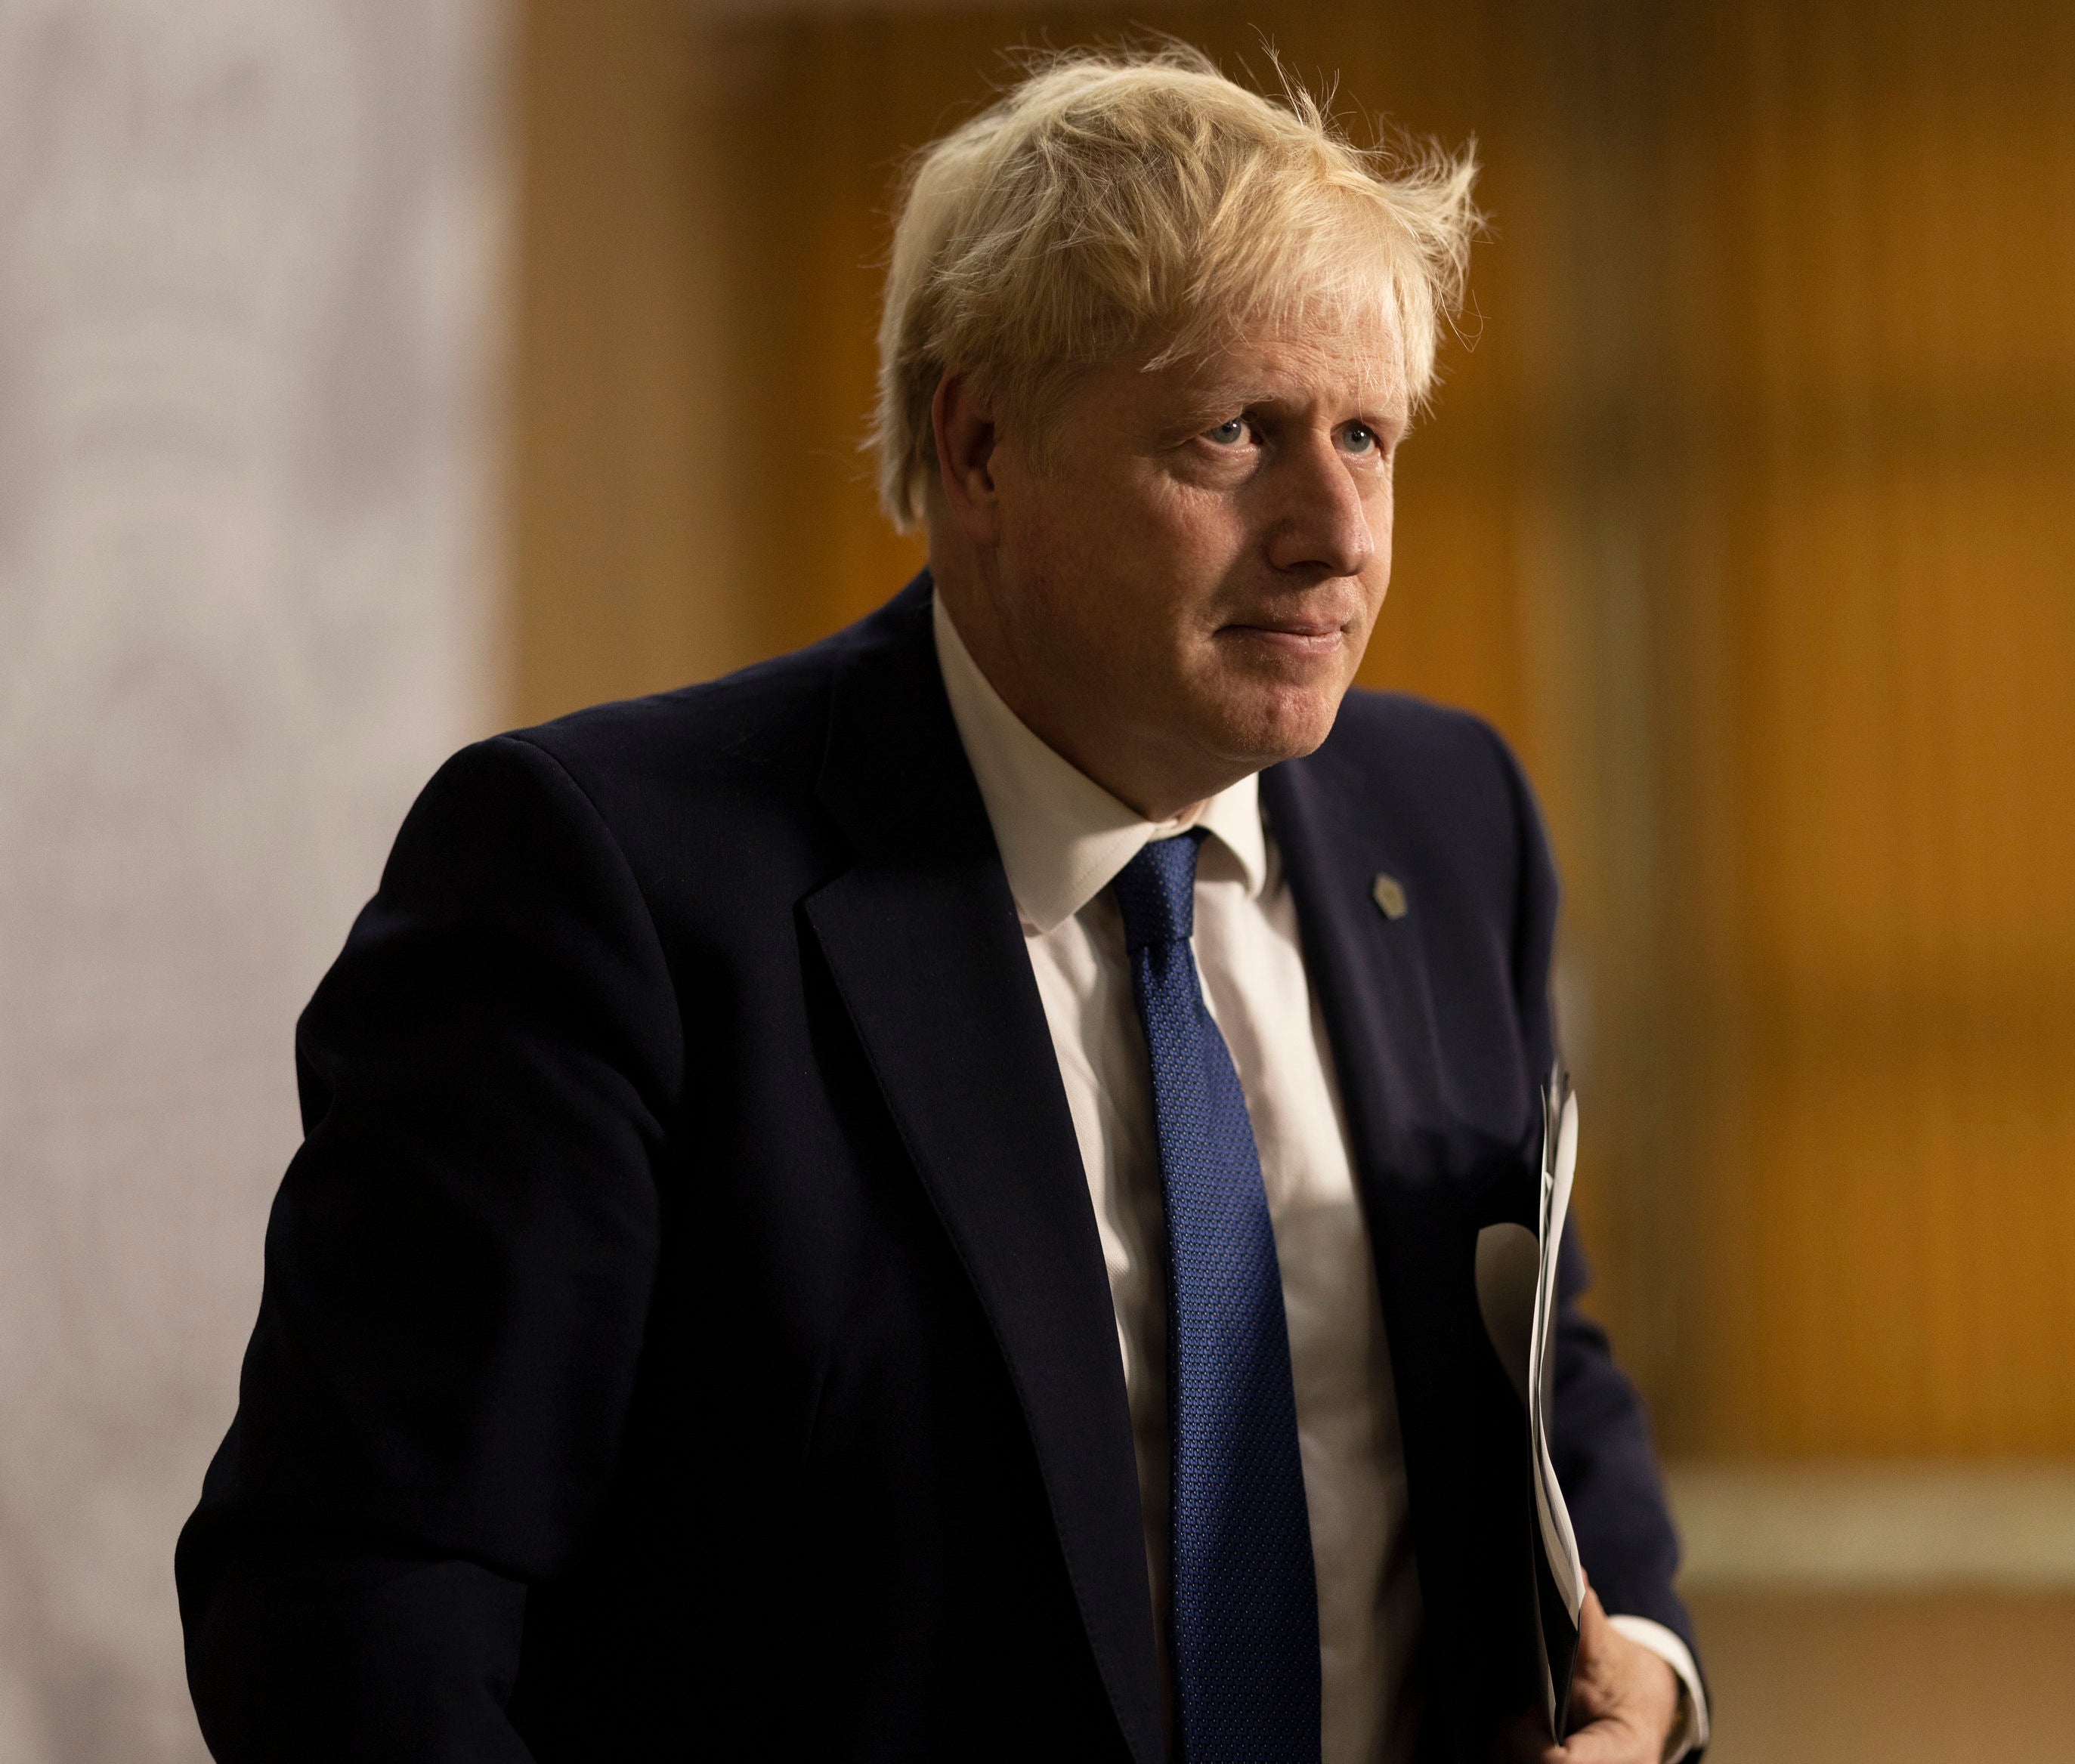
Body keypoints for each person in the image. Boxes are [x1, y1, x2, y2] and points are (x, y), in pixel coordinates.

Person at [178, 45, 1707, 1764]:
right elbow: (354, 1601)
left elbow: (1536, 1356)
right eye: (1235, 433)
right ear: (979, 446)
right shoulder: (603, 883)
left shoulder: (1452, 819)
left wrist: (1641, 1657)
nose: (1336, 532)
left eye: (1366, 435)